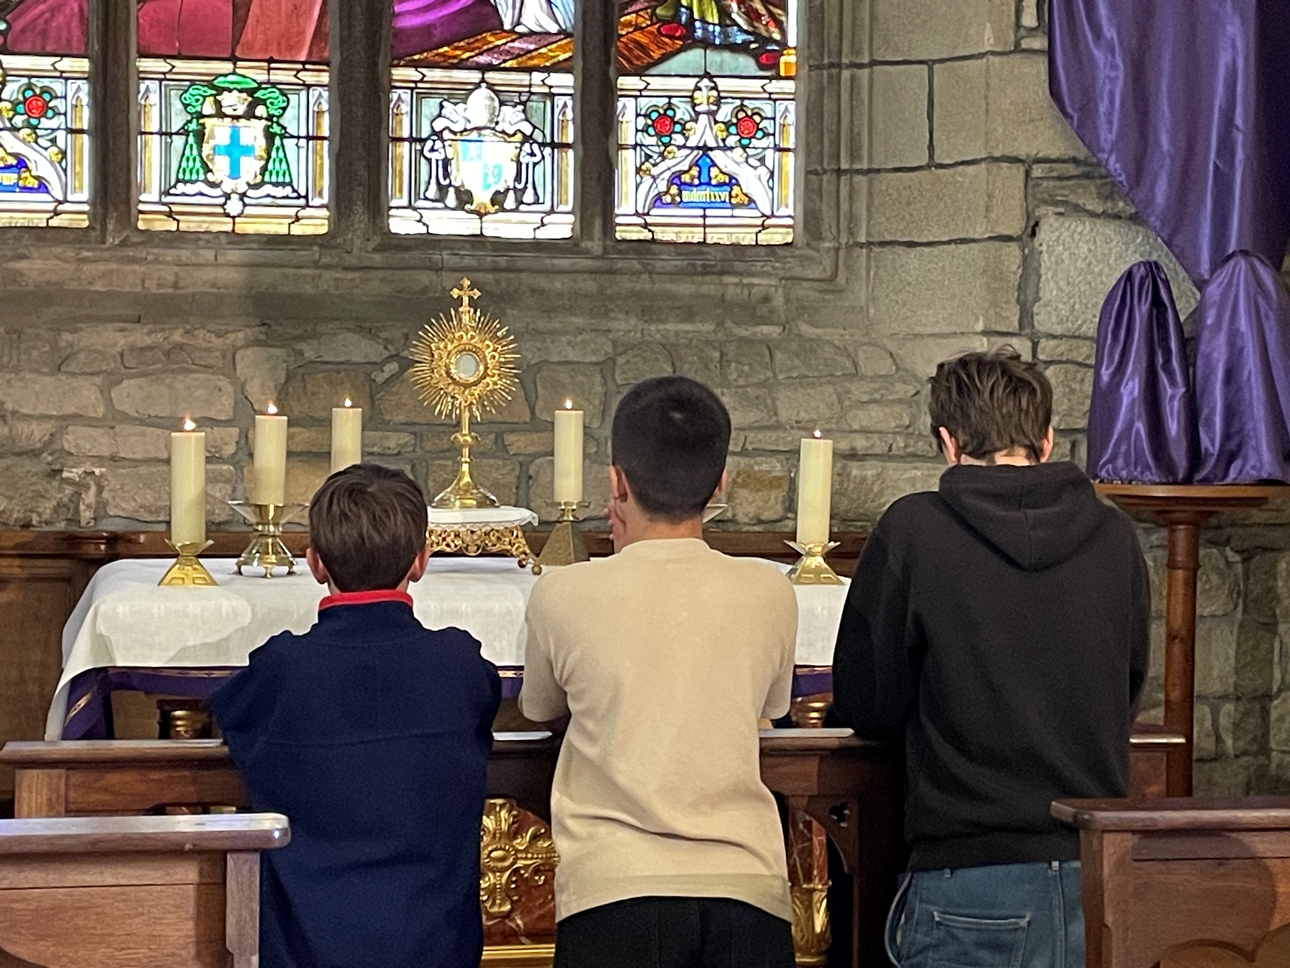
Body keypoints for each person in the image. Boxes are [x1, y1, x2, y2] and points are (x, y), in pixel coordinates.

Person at [831, 348, 1150, 968]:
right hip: (1094, 875)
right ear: (1046, 439)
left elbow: (867, 704)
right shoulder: (1115, 536)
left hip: (968, 873)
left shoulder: (914, 530)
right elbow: (1128, 689)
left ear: (949, 443)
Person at [520, 375, 798, 968]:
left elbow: (539, 708)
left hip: (613, 889)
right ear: (719, 485)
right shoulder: (769, 590)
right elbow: (772, 708)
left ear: (616, 482)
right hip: (745, 887)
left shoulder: (562, 593)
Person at [209, 463, 501, 968]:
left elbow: (232, 713)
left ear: (315, 563)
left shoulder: (283, 669)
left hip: (305, 946)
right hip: (432, 944)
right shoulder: (458, 665)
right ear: (421, 560)